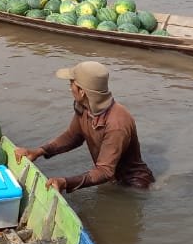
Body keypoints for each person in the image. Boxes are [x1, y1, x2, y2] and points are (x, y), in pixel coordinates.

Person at [13, 60, 154, 192]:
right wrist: (38, 151)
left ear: (82, 92)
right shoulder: (85, 107)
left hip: (133, 185)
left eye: (71, 84)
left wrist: (66, 182)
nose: (70, 89)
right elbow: (72, 136)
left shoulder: (117, 124)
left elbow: (105, 171)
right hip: (110, 178)